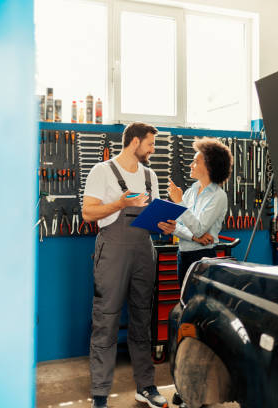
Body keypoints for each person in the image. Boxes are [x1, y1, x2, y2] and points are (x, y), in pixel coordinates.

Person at [82, 122, 168, 408]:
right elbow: (87, 213)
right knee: (105, 321)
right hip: (113, 253)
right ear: (134, 142)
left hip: (145, 250)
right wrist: (119, 204)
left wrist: (165, 225)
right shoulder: (102, 171)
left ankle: (145, 386)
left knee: (143, 322)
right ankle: (100, 395)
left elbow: (153, 219)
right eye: (150, 144)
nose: (152, 150)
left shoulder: (149, 175)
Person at [158, 137, 232, 285]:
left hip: (203, 257)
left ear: (210, 167)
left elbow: (198, 229)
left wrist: (179, 202)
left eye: (196, 162)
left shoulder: (218, 196)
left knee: (200, 302)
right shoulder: (191, 192)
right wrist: (193, 238)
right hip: (183, 255)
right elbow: (175, 225)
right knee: (185, 301)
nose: (191, 165)